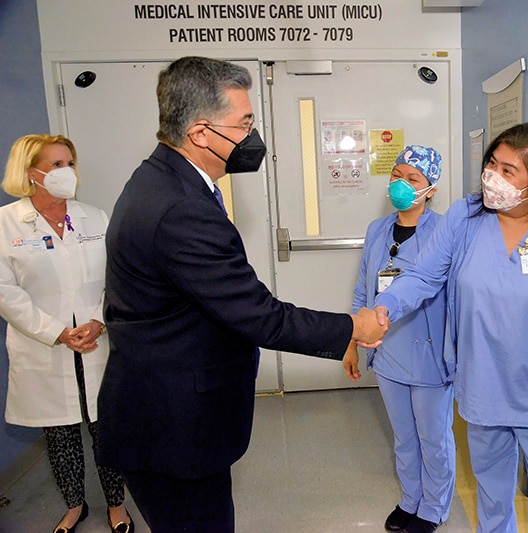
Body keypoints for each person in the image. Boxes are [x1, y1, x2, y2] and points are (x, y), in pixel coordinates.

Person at [96, 56, 386, 533]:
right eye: (245, 123)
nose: (253, 136)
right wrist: (352, 326)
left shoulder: (166, 180)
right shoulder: (180, 208)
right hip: (173, 426)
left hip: (166, 411)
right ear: (202, 132)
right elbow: (258, 315)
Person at [374, 123, 528, 532]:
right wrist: (386, 306)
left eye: (508, 170)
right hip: (482, 380)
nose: (492, 178)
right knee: (491, 487)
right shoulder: (465, 217)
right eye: (491, 165)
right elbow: (424, 275)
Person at [0, 134, 133, 533]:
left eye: (69, 163)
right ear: (30, 173)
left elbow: (118, 276)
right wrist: (57, 332)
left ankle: (116, 505)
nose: (66, 172)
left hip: (96, 341)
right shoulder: (6, 223)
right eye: (56, 165)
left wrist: (98, 319)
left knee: (106, 427)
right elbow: (5, 291)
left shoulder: (95, 217)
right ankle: (74, 506)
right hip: (44, 346)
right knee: (59, 436)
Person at [344, 145, 454, 533]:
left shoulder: (443, 231)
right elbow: (363, 292)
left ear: (431, 188)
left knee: (434, 439)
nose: (401, 184)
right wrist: (352, 343)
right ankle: (410, 500)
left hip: (429, 356)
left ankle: (434, 508)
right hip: (386, 353)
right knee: (404, 437)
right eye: (396, 174)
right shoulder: (377, 230)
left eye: (413, 179)